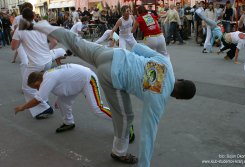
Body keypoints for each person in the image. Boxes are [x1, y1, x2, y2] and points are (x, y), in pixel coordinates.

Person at [18, 18, 196, 167]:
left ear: (179, 80)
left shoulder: (166, 64)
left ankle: (36, 25)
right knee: (125, 117)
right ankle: (119, 152)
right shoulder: (159, 102)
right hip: (112, 76)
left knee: (75, 41)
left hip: (112, 54)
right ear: (178, 97)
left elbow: (137, 49)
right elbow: (148, 136)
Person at [15, 64, 112, 133]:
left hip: (88, 79)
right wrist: (59, 99)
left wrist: (22, 107)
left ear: (38, 80)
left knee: (97, 109)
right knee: (62, 103)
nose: (37, 89)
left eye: (36, 86)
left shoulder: (48, 78)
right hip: (77, 82)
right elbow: (64, 83)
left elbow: (38, 100)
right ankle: (68, 122)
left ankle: (123, 121)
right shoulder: (46, 76)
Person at [11, 8, 57, 119]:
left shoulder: (20, 29)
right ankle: (44, 103)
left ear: (22, 17)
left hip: (36, 63)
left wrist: (18, 37)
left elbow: (13, 47)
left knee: (27, 87)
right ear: (33, 17)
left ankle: (45, 108)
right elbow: (55, 42)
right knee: (40, 84)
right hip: (48, 60)